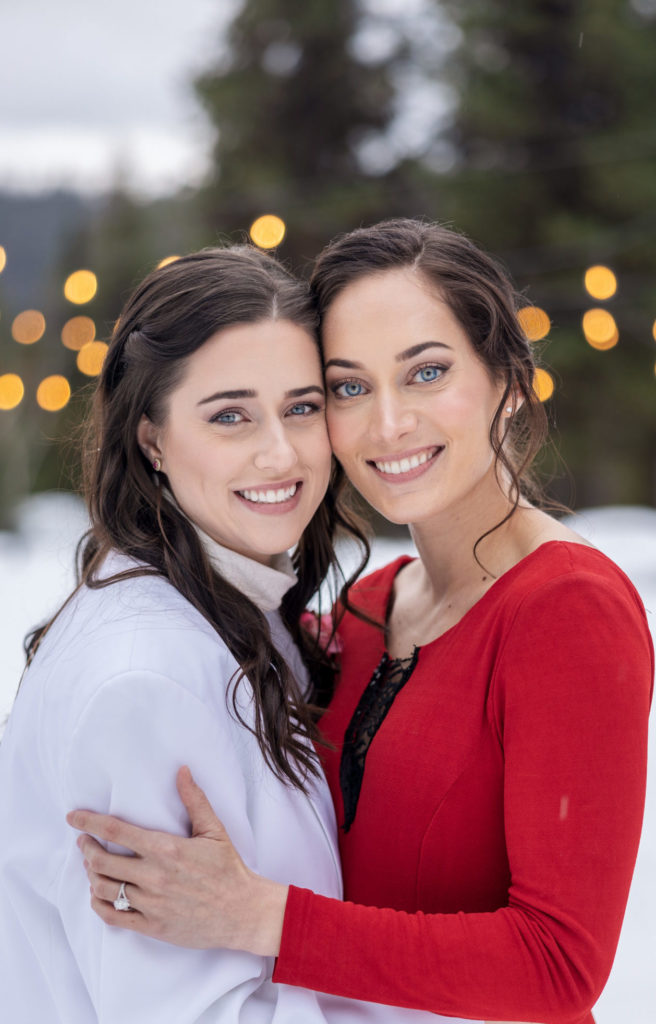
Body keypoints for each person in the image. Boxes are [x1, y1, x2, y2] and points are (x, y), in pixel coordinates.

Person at [66, 221, 653, 1024]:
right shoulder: (367, 608)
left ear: (510, 380)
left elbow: (560, 966)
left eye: (427, 372)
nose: (387, 424)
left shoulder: (566, 609)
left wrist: (262, 918)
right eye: (348, 387)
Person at [0, 243, 472, 1024]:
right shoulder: (147, 680)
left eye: (302, 406)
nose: (279, 452)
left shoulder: (233, 620)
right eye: (230, 416)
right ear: (152, 439)